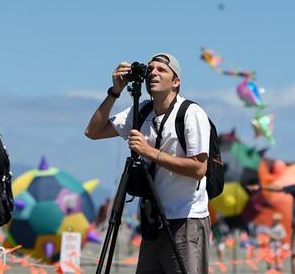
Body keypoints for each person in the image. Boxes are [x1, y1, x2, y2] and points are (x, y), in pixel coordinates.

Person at [84, 53, 211, 274]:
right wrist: (115, 91)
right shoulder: (141, 111)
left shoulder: (190, 113)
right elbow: (92, 132)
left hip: (186, 218)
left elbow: (199, 169)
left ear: (176, 82)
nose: (154, 73)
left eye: (162, 70)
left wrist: (149, 152)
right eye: (150, 69)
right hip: (153, 220)